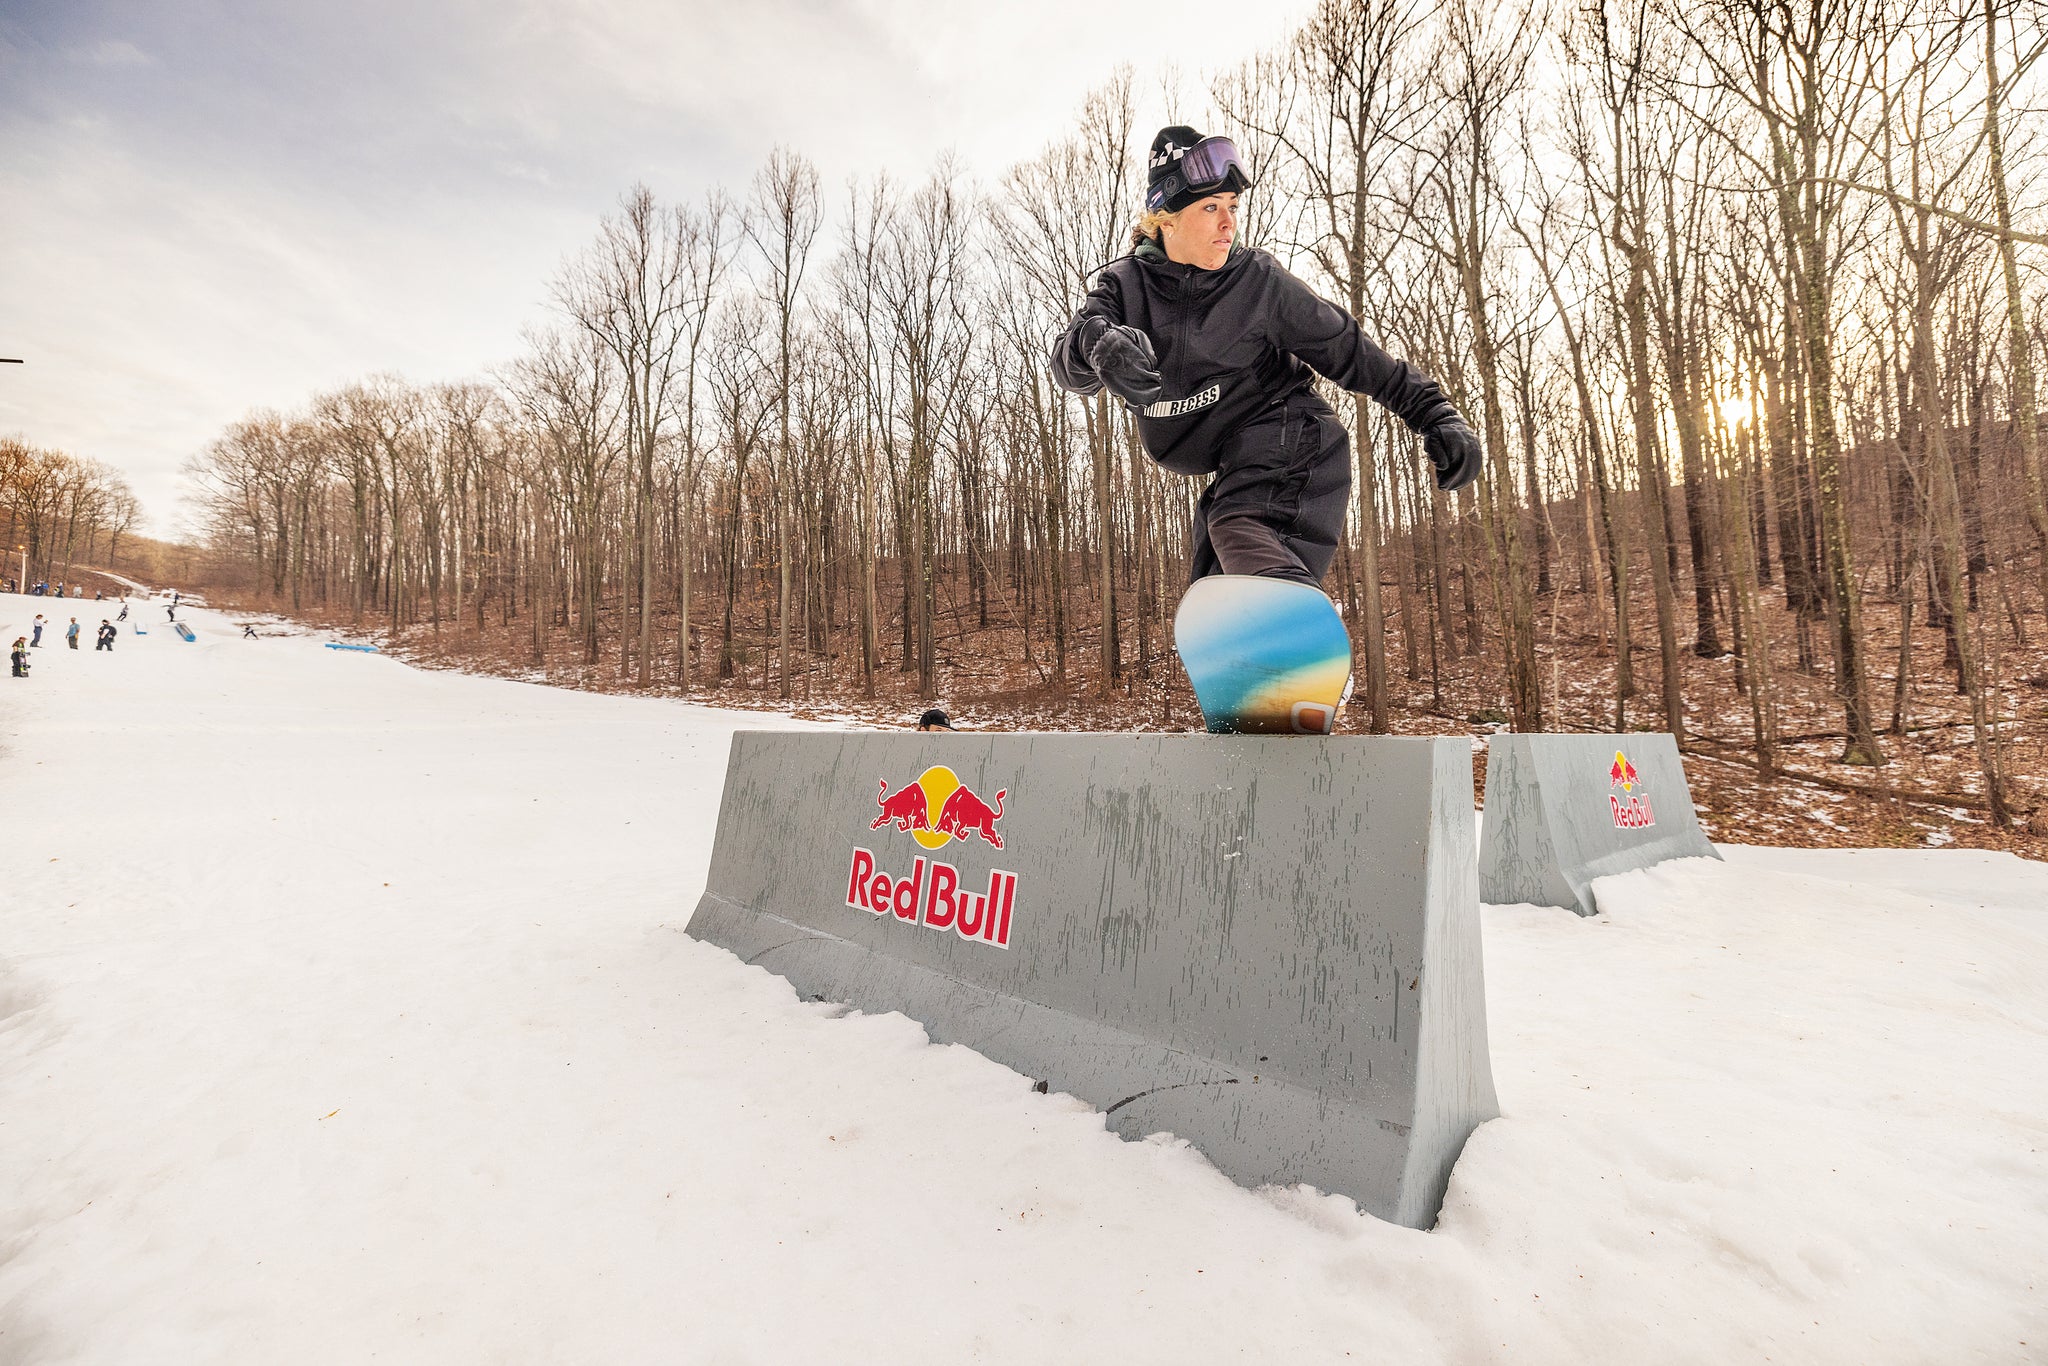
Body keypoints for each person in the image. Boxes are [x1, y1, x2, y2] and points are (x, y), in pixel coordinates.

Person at [1050, 126, 1483, 590]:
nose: (1228, 222)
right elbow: (1067, 362)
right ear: (1165, 217)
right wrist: (1099, 345)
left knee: (1238, 527)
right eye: (1211, 207)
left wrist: (1435, 413)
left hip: (1292, 441)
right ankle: (1264, 654)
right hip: (1236, 464)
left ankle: (1289, 618)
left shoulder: (1258, 282)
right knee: (1213, 584)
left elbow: (1350, 351)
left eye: (1232, 207)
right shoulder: (1124, 286)